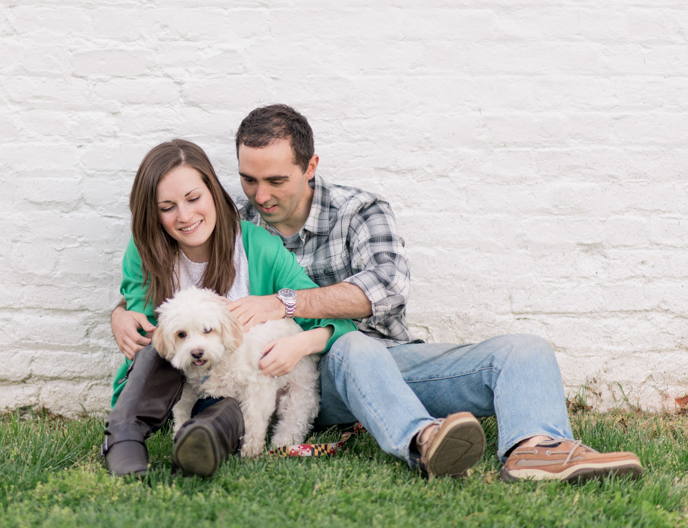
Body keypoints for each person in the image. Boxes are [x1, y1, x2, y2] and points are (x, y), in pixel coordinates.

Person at [225, 103, 643, 482]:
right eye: (249, 179)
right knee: (353, 346)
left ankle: (536, 450)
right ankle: (424, 442)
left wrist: (286, 302)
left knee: (524, 350)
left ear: (311, 166)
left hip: (394, 361)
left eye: (276, 180)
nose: (260, 196)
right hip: (310, 381)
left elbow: (386, 287)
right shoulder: (235, 229)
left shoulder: (359, 210)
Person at [102, 139, 356, 477]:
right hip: (165, 388)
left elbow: (332, 320)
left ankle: (203, 438)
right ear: (154, 213)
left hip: (231, 391)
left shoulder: (258, 246)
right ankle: (124, 436)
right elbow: (145, 331)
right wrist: (119, 316)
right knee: (156, 345)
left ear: (213, 191)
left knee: (229, 403)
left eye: (193, 198)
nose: (185, 216)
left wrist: (298, 334)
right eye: (167, 207)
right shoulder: (144, 250)